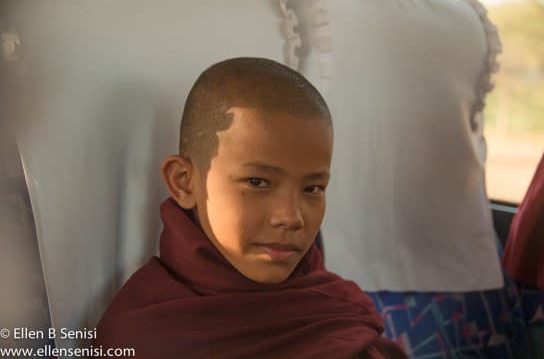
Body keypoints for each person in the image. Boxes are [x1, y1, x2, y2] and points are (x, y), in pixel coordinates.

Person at [94, 57, 406, 358]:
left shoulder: (332, 311)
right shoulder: (141, 336)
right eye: (257, 182)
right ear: (184, 182)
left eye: (313, 188)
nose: (291, 217)